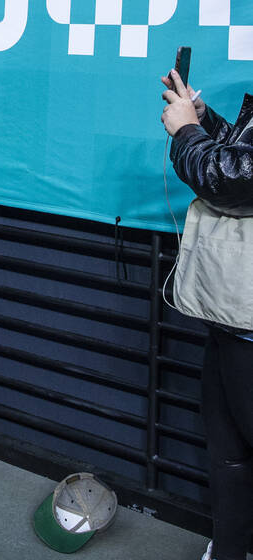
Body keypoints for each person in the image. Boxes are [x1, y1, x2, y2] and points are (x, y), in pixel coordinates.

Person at [161, 70, 253, 560]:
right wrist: (207, 122)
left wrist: (186, 132)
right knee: (228, 450)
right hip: (232, 317)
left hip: (247, 320)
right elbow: (245, 161)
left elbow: (229, 179)